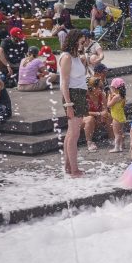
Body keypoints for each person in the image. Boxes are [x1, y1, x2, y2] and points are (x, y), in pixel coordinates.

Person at [59, 29, 88, 177]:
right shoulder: (67, 57)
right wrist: (68, 104)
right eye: (82, 41)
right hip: (73, 95)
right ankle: (74, 170)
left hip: (80, 94)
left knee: (71, 133)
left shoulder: (76, 56)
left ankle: (68, 166)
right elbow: (64, 82)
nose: (84, 43)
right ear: (74, 40)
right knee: (74, 133)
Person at [82, 77, 112, 152]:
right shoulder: (84, 96)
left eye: (102, 87)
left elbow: (105, 109)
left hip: (97, 118)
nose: (101, 90)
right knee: (90, 119)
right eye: (100, 88)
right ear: (92, 88)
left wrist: (104, 113)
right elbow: (83, 112)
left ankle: (112, 138)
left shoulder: (101, 94)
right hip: (82, 120)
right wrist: (98, 114)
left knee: (108, 115)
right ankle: (89, 142)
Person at [107, 78, 127, 153]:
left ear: (115, 88)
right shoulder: (122, 95)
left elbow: (108, 105)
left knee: (116, 133)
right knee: (121, 132)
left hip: (116, 117)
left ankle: (117, 147)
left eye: (112, 88)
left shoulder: (116, 97)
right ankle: (122, 145)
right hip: (121, 116)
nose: (111, 89)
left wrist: (109, 97)